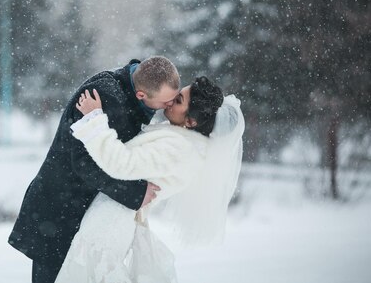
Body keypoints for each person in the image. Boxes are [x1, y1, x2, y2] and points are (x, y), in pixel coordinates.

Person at [54, 76, 245, 283]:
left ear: (191, 121)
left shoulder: (179, 149)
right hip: (112, 216)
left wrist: (94, 119)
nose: (171, 100)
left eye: (179, 100)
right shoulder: (183, 141)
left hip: (108, 223)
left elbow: (120, 163)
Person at [8, 57, 181, 283]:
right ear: (142, 95)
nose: (170, 105)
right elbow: (83, 163)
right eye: (167, 101)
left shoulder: (133, 89)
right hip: (59, 214)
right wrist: (136, 193)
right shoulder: (102, 96)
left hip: (76, 214)